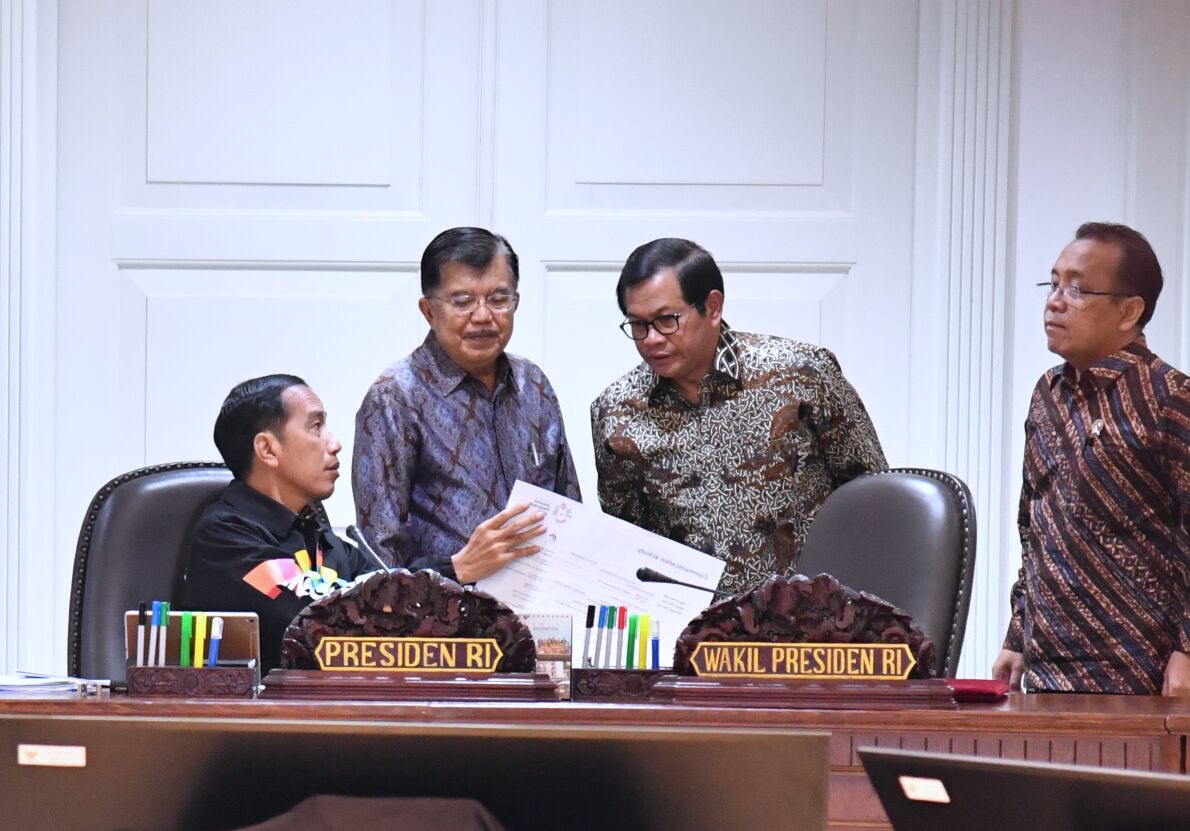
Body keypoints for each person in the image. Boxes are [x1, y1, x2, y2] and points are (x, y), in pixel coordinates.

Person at [992, 223, 1190, 696]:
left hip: (1140, 676)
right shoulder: (1048, 396)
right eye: (1054, 283)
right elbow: (1034, 527)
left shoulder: (1171, 398)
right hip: (1044, 673)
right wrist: (1018, 634)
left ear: (1130, 310)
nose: (1055, 301)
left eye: (1078, 289)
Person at [185, 374, 545, 674]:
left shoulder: (322, 540)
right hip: (257, 732)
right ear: (267, 449)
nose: (336, 444)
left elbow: (389, 594)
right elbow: (330, 620)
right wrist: (455, 567)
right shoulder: (226, 536)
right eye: (315, 427)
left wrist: (459, 571)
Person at [591, 237, 887, 596]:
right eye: (638, 325)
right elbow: (628, 544)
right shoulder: (617, 412)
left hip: (808, 628)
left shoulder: (800, 376)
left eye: (667, 320)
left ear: (712, 307)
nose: (651, 339)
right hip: (689, 637)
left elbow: (872, 497)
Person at [353, 227, 581, 569]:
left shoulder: (533, 383)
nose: (483, 316)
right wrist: (457, 569)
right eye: (462, 301)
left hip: (547, 609)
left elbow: (570, 510)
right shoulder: (395, 397)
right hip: (446, 614)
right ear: (429, 311)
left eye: (499, 299)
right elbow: (381, 554)